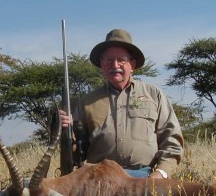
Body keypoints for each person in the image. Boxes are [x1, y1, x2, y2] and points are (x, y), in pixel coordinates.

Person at [60, 29, 184, 178]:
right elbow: (75, 155)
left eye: (121, 60)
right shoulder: (86, 103)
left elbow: (172, 139)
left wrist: (160, 174)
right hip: (99, 180)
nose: (115, 65)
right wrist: (63, 131)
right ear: (101, 63)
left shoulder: (154, 94)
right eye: (109, 60)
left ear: (132, 65)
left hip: (144, 177)